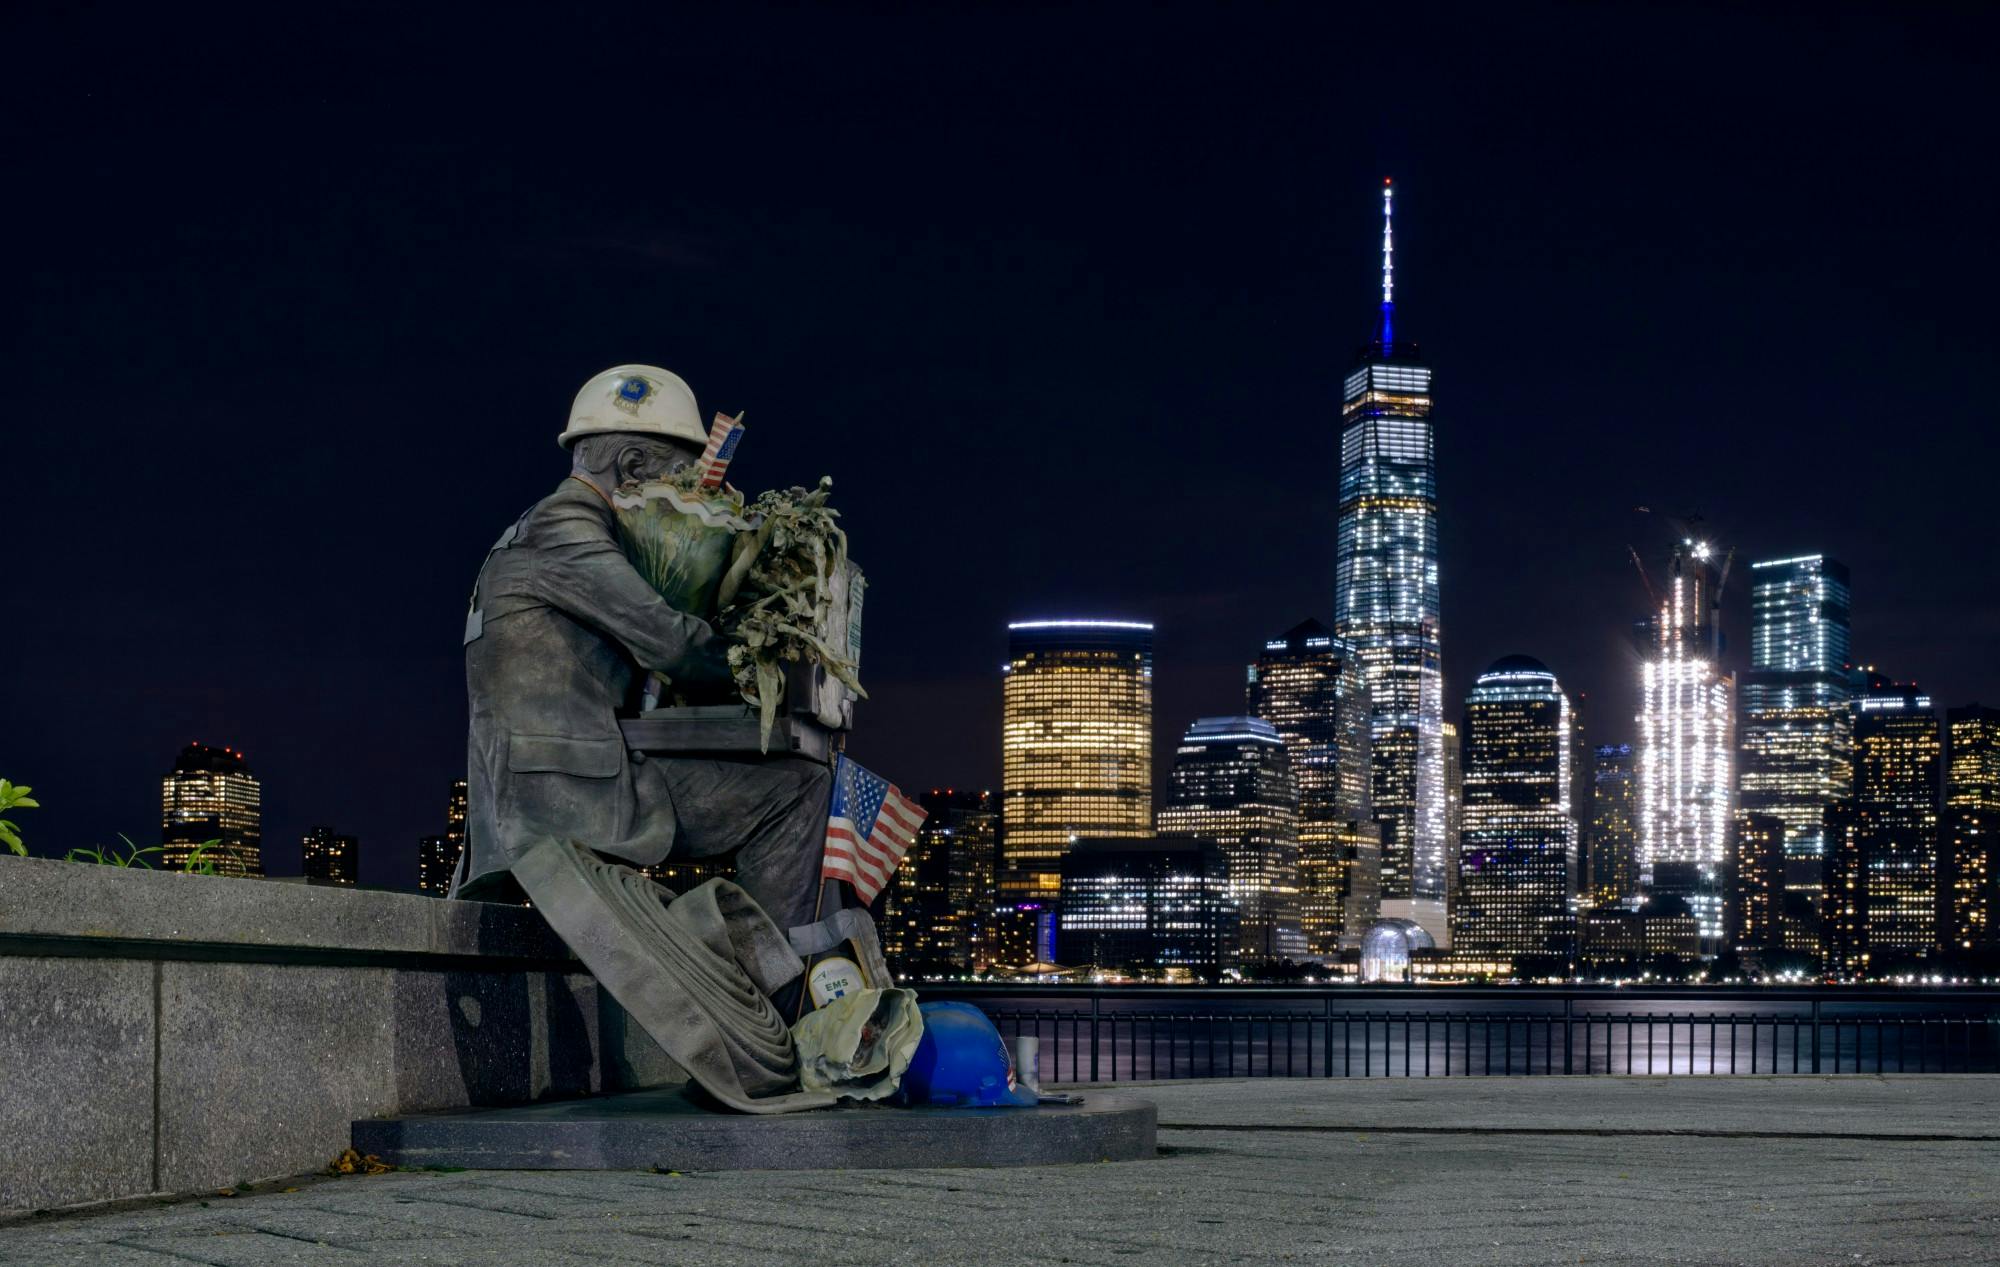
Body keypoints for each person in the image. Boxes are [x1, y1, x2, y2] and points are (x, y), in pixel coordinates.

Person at [454, 365, 832, 943]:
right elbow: (672, 642)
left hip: (565, 774)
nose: (686, 496)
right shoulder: (566, 524)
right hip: (567, 790)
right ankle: (768, 1002)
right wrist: (772, 664)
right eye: (680, 479)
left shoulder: (539, 528)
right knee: (795, 790)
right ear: (631, 469)